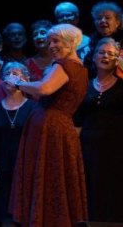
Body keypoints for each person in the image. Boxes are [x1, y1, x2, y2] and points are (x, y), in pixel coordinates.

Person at [6, 23, 89, 227]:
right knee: (57, 177)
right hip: (61, 127)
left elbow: (44, 89)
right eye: (50, 41)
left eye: (56, 41)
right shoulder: (81, 68)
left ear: (69, 43)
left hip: (50, 127)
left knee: (49, 177)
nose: (50, 45)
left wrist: (17, 83)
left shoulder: (64, 65)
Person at [74, 37, 123, 222]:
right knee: (90, 189)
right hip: (88, 148)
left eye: (111, 54)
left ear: (117, 59)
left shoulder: (121, 86)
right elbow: (77, 119)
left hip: (116, 148)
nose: (106, 56)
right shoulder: (84, 86)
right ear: (93, 57)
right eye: (101, 52)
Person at [0, 62, 36, 227]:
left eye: (16, 73)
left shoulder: (33, 108)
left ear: (26, 79)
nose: (11, 77)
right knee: (4, 215)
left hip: (25, 168)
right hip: (3, 169)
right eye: (7, 73)